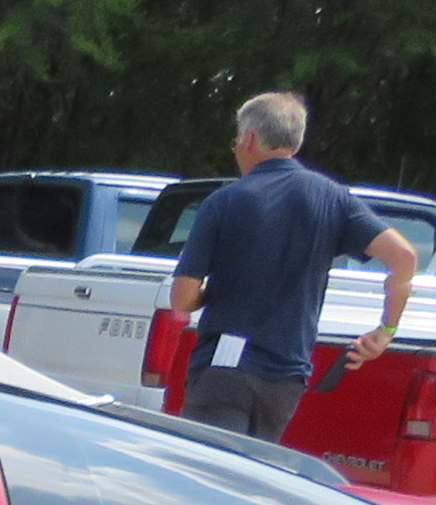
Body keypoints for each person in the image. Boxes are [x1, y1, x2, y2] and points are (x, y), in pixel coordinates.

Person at [167, 91, 419, 440]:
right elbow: (404, 257)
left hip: (225, 369)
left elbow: (182, 298)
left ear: (249, 138)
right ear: (295, 143)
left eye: (236, 141)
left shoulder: (224, 201)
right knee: (256, 481)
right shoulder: (332, 197)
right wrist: (385, 332)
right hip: (286, 376)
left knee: (212, 480)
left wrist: (213, 292)